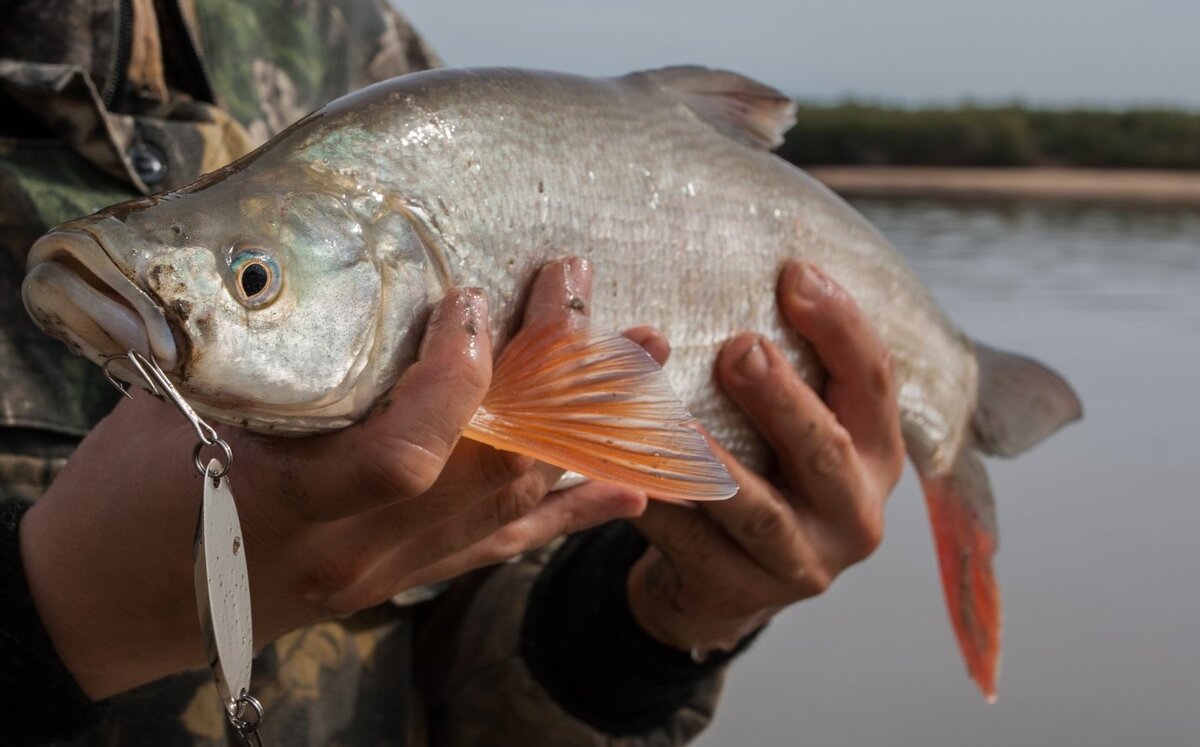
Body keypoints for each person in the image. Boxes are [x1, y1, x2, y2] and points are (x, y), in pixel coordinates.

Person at [0, 1, 905, 744]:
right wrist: (59, 612)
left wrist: (653, 624)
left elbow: (464, 666)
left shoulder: (347, 38)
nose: (246, 289)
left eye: (253, 280)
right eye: (255, 279)